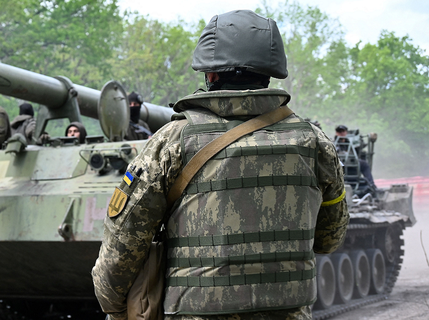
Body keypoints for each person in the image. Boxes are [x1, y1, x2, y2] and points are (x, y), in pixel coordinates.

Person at [92, 10, 348, 320]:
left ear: (210, 74)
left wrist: (114, 307)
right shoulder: (315, 142)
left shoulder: (172, 141)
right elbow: (329, 239)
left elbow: (124, 243)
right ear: (270, 72)